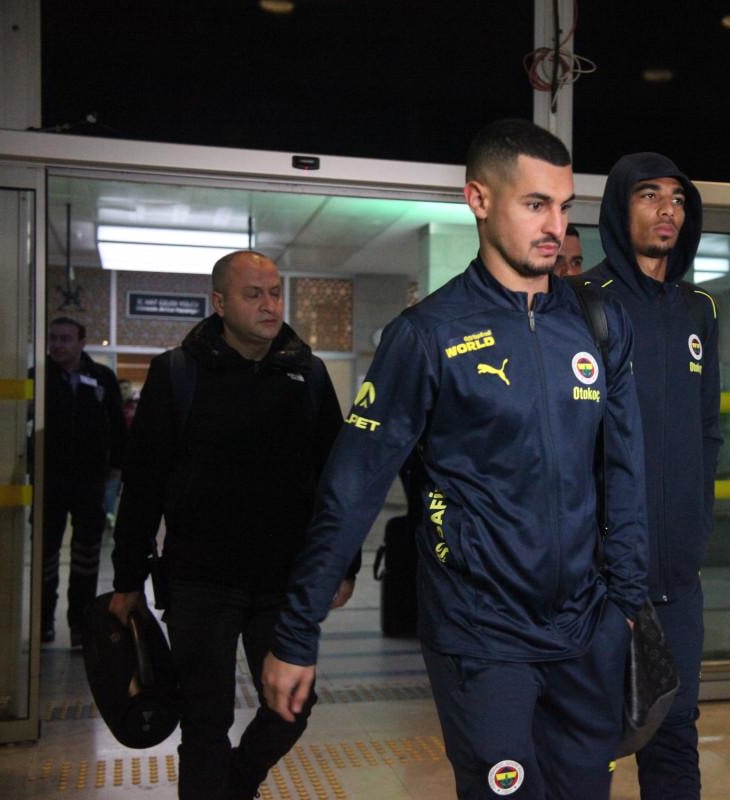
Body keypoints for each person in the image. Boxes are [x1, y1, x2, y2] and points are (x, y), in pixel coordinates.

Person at [262, 119, 649, 800]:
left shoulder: (597, 325)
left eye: (564, 206)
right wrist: (298, 629)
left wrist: (625, 604)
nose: (555, 226)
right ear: (479, 199)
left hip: (586, 632)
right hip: (481, 636)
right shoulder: (428, 336)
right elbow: (353, 484)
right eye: (535, 204)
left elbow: (625, 471)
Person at [108, 250, 356, 800]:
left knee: (293, 705)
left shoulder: (307, 375)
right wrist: (128, 579)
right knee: (205, 719)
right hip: (200, 582)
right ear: (220, 303)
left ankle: (236, 784)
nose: (270, 305)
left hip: (282, 581)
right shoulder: (178, 373)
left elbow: (336, 479)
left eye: (275, 294)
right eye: (253, 295)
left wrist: (345, 563)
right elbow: (143, 484)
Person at [582, 153, 723, 799]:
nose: (668, 209)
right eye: (649, 195)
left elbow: (707, 428)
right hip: (602, 577)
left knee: (676, 730)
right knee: (592, 740)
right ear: (620, 207)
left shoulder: (699, 309)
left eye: (678, 198)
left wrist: (697, 522)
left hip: (677, 577)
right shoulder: (584, 302)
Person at [31, 316, 127, 646]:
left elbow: (117, 424)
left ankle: (81, 624)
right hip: (49, 480)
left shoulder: (101, 377)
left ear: (81, 342)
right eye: (53, 338)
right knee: (45, 554)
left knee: (86, 556)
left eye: (65, 339)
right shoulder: (38, 377)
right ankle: (43, 621)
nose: (57, 345)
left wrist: (117, 466)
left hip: (90, 481)